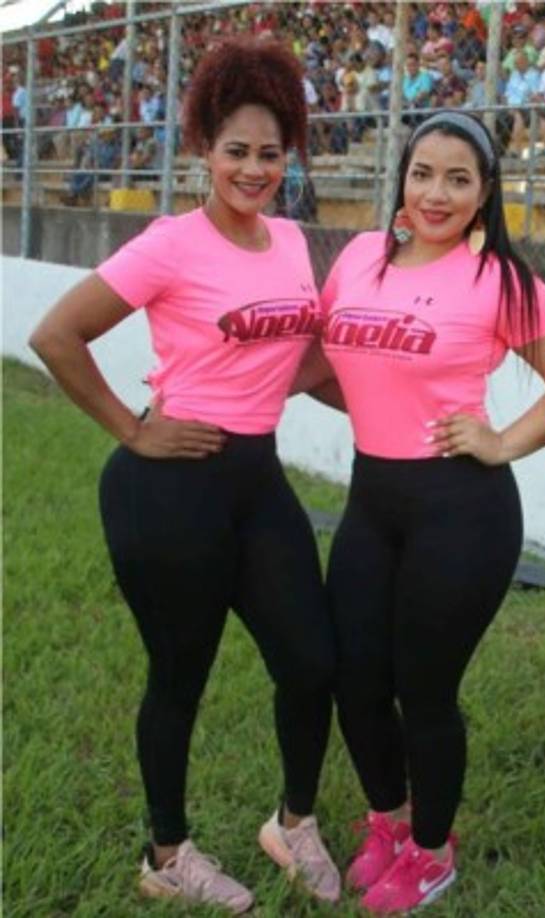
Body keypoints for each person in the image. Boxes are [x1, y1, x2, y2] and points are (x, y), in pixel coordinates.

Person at [27, 38, 341, 913]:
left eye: (270, 153)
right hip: (168, 488)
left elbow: (303, 364)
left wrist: (400, 417)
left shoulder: (288, 242)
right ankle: (167, 854)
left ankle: (294, 822)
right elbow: (57, 335)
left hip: (258, 482)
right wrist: (131, 429)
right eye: (235, 150)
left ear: (290, 157)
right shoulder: (170, 243)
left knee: (312, 662)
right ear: (203, 146)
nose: (252, 168)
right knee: (181, 676)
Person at [295, 110, 545, 914]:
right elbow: (319, 360)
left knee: (423, 688)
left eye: (459, 178)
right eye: (423, 172)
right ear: (402, 176)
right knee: (355, 678)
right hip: (371, 501)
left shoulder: (500, 282)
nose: (436, 192)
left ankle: (431, 851)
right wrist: (215, 389)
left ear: (486, 193)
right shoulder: (357, 257)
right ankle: (389, 819)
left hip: (463, 509)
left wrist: (503, 442)